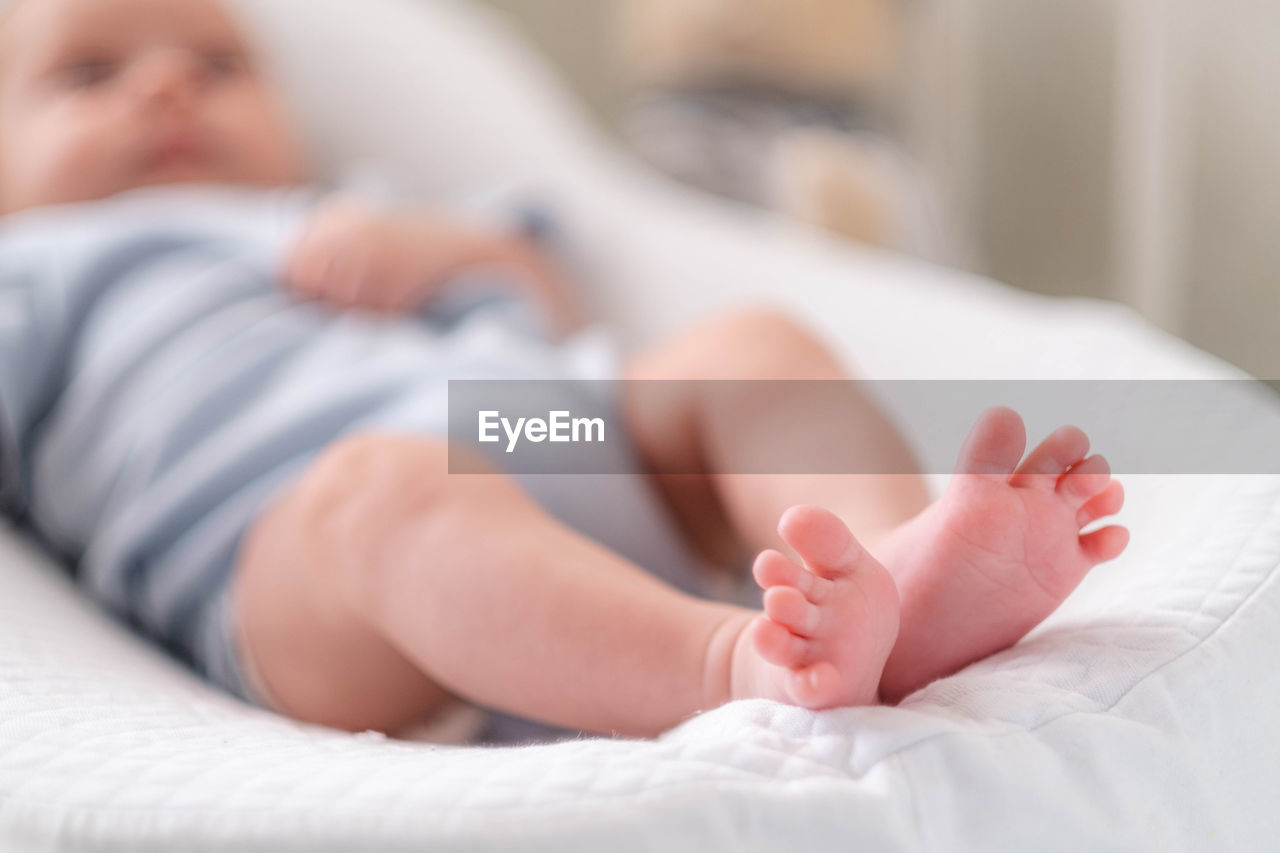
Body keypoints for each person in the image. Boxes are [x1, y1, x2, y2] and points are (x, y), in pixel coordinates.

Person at [0, 0, 1127, 741]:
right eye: (88, 73)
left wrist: (457, 249)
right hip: (305, 565)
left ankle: (884, 573)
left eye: (217, 64)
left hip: (549, 432)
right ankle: (732, 663)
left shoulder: (356, 209)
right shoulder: (41, 265)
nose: (166, 89)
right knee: (387, 487)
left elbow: (546, 295)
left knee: (748, 347)